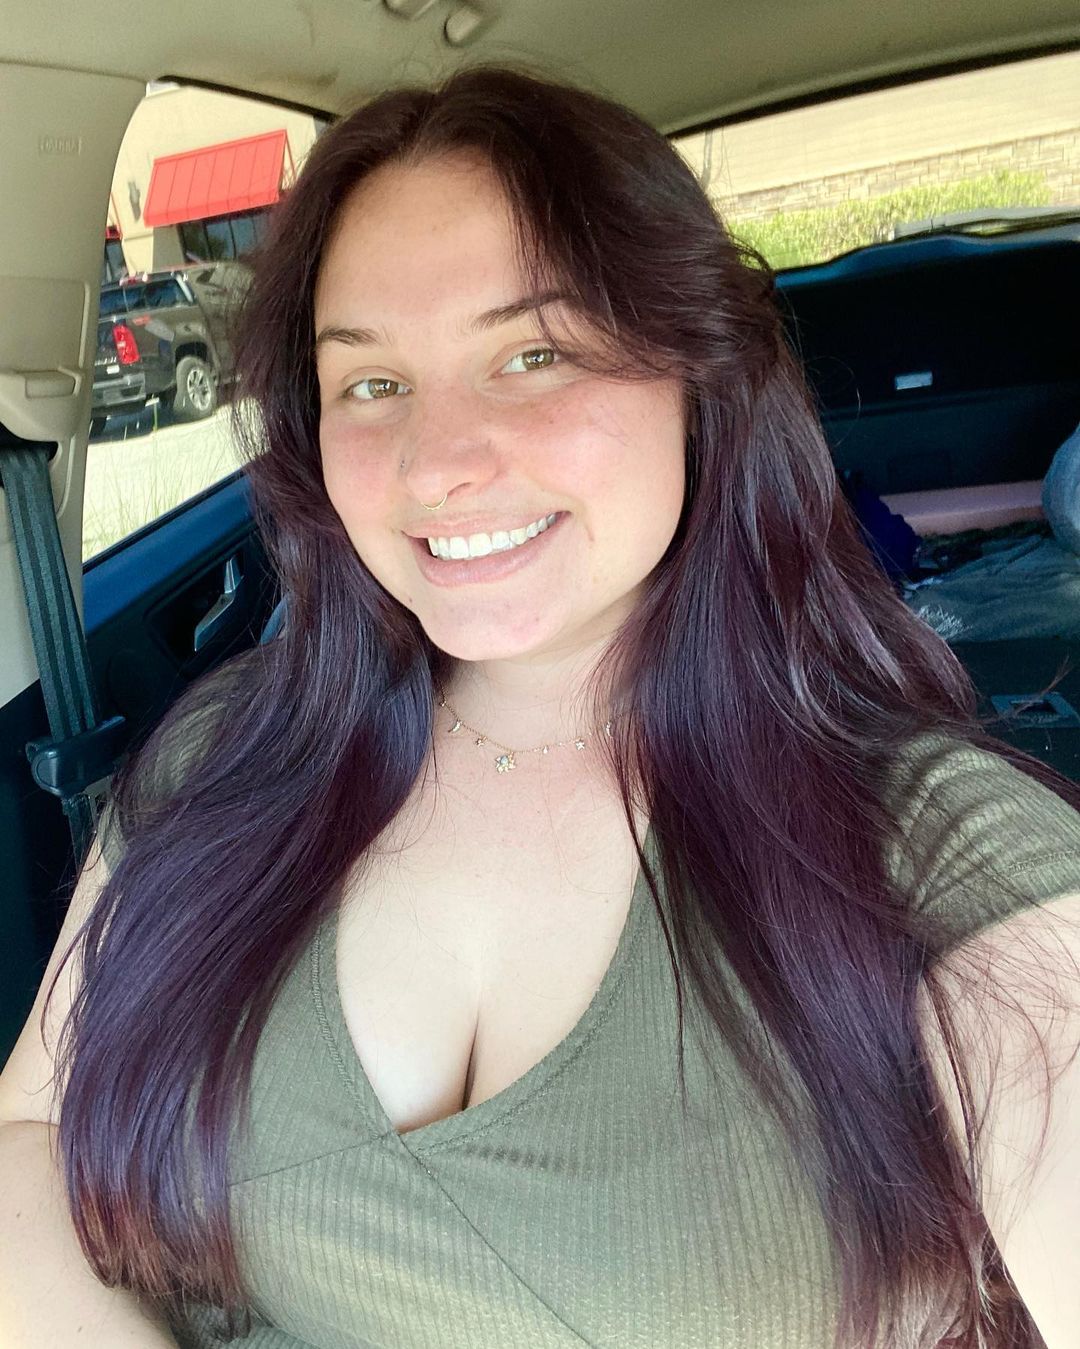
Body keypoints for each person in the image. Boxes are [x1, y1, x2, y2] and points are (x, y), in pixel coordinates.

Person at [4, 65, 1080, 1349]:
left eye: (534, 353)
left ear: (700, 376)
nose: (438, 464)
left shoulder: (940, 851)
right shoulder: (228, 748)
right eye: (372, 382)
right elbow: (29, 1133)